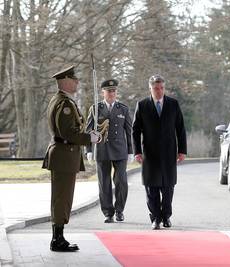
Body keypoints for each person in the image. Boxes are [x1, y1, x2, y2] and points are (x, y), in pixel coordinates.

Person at [42, 65, 101, 252]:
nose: (77, 82)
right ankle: (57, 240)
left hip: (62, 154)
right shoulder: (65, 104)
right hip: (64, 155)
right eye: (74, 79)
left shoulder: (59, 100)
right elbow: (68, 132)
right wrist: (89, 138)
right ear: (66, 81)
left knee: (61, 197)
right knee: (62, 198)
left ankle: (58, 237)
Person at [132, 74, 187, 230]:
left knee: (168, 187)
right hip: (149, 153)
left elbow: (180, 129)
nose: (159, 91)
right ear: (150, 88)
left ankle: (166, 216)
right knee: (151, 188)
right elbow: (135, 131)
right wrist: (137, 151)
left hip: (169, 153)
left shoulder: (173, 104)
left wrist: (182, 150)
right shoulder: (142, 105)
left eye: (162, 88)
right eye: (156, 88)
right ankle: (155, 218)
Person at [86, 79, 133, 223]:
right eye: (109, 91)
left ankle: (119, 211)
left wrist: (131, 151)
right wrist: (88, 150)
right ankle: (108, 212)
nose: (112, 93)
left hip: (120, 150)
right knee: (104, 182)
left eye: (114, 91)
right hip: (102, 149)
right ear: (103, 92)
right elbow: (89, 130)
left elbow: (129, 131)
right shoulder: (95, 108)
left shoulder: (123, 109)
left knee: (122, 181)